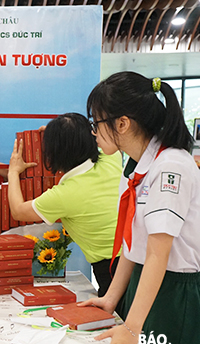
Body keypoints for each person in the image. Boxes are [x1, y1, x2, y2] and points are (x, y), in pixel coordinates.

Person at [79, 72, 200, 344]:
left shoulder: (170, 166)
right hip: (143, 291)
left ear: (122, 123)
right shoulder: (135, 165)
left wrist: (131, 327)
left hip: (174, 298)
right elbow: (135, 242)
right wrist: (111, 298)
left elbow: (159, 253)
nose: (93, 132)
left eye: (96, 123)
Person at [7, 113, 123, 297]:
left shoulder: (65, 194)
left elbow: (18, 211)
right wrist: (62, 134)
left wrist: (13, 172)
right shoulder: (112, 160)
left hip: (111, 270)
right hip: (136, 259)